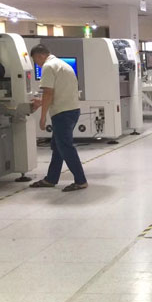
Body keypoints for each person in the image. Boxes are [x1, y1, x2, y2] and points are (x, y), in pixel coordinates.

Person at [29, 44, 88, 192]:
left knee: (65, 147)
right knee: (58, 147)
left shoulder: (48, 66)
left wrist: (42, 117)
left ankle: (81, 181)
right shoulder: (63, 65)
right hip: (72, 110)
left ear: (40, 56)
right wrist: (41, 102)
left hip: (62, 113)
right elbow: (58, 92)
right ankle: (51, 178)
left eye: (36, 61)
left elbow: (48, 92)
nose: (37, 64)